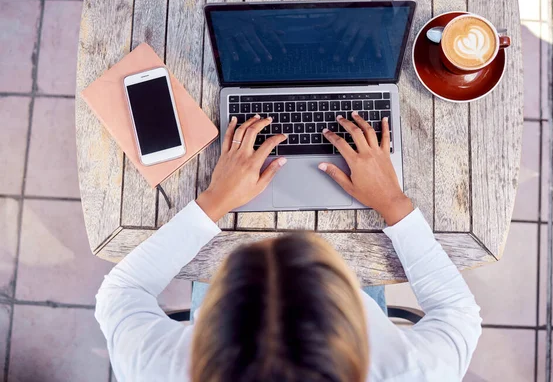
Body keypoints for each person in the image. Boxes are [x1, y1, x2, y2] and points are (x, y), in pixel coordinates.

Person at [95, 112, 482, 382]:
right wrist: (394, 202)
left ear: (210, 322)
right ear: (352, 323)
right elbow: (458, 312)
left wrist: (215, 199)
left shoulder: (158, 369)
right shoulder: (411, 373)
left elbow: (121, 292)